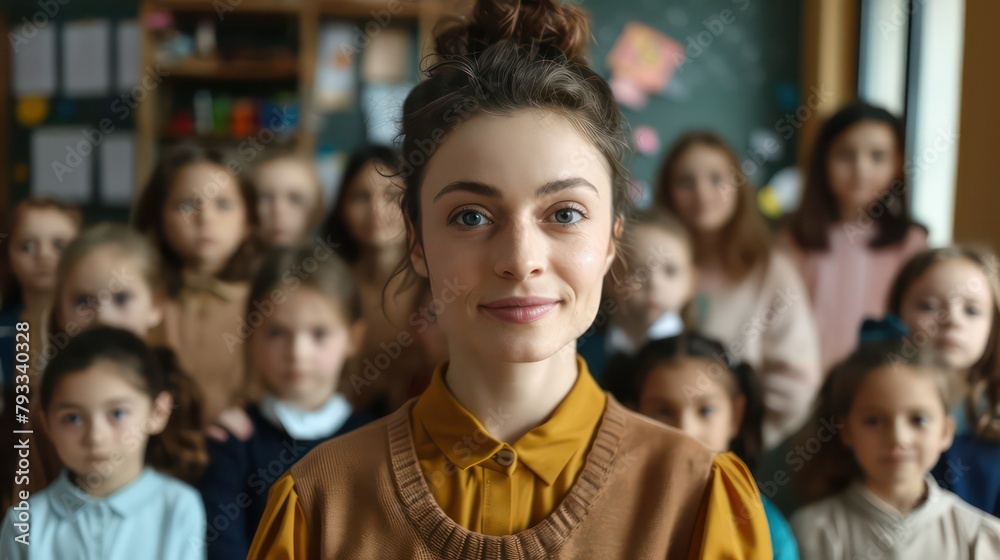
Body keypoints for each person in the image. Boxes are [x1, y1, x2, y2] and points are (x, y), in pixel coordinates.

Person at [248, 1, 771, 557]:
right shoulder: (319, 503)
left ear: (614, 236)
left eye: (565, 213)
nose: (521, 260)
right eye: (471, 216)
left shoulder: (695, 498)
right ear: (417, 240)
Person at [0, 327, 206, 559]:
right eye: (73, 418)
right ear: (48, 425)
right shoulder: (24, 522)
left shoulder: (178, 506)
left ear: (157, 412)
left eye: (117, 413)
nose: (96, 437)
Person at [781, 101, 926, 371]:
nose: (861, 169)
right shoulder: (795, 239)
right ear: (823, 160)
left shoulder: (911, 243)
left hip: (882, 383)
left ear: (897, 164)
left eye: (877, 156)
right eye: (845, 155)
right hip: (807, 380)